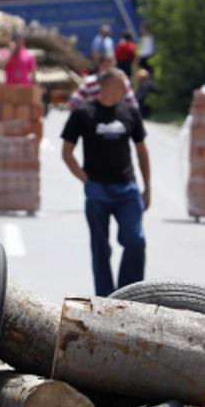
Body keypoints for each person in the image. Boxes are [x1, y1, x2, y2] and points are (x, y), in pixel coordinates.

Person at [60, 68, 150, 296]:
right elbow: (67, 152)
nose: (126, 90)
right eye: (123, 86)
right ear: (108, 86)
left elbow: (142, 151)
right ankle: (105, 297)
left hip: (127, 187)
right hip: (97, 189)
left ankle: (128, 295)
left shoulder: (130, 112)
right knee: (101, 247)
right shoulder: (83, 113)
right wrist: (86, 180)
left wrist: (147, 188)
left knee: (135, 241)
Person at [68, 54, 138, 109]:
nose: (109, 70)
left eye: (111, 67)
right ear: (100, 65)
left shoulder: (122, 81)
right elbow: (75, 101)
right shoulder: (90, 82)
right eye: (106, 66)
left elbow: (132, 103)